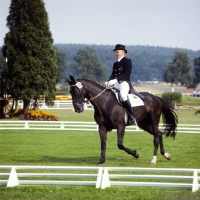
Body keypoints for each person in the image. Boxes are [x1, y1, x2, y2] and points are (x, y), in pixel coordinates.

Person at [105, 44, 136, 125]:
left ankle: (132, 116)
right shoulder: (115, 64)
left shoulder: (127, 61)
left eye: (117, 52)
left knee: (123, 96)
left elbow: (126, 74)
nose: (116, 53)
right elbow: (113, 75)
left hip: (124, 83)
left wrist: (115, 80)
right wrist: (108, 81)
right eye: (115, 52)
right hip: (116, 84)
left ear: (123, 52)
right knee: (109, 95)